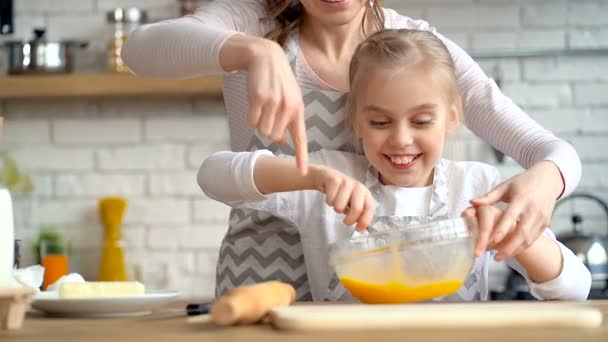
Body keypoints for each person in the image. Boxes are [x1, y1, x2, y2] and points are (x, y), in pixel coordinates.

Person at [123, 0, 581, 300]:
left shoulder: (414, 47)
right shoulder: (254, 22)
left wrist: (546, 179)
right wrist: (254, 52)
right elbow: (140, 50)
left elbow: (550, 150)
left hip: (356, 301)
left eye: (418, 122)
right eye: (380, 121)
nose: (400, 137)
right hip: (260, 288)